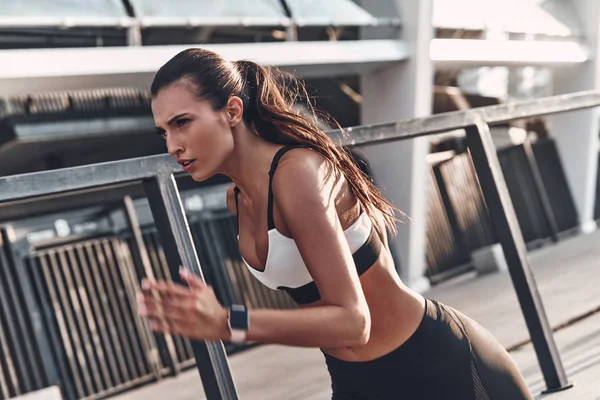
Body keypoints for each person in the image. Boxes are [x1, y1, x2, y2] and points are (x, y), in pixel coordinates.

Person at [137, 48, 533, 400]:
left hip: (439, 370)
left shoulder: (297, 174)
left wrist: (229, 322)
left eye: (182, 122)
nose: (172, 145)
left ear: (233, 111)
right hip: (355, 382)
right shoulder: (236, 200)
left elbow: (353, 322)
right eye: (163, 132)